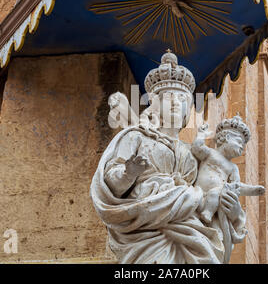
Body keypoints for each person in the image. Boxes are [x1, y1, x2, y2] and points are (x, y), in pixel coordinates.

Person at [90, 51, 247, 264]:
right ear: (154, 104)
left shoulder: (193, 153)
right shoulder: (136, 136)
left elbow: (213, 193)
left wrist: (235, 214)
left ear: (187, 110)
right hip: (145, 229)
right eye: (168, 98)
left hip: (192, 231)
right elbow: (111, 183)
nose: (175, 103)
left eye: (182, 98)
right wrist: (129, 173)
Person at [192, 118, 265, 225]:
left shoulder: (233, 167)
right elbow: (197, 148)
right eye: (239, 142)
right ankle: (207, 212)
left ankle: (208, 213)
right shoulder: (211, 153)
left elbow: (236, 186)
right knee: (215, 193)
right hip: (198, 193)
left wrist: (252, 190)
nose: (242, 148)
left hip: (216, 196)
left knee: (216, 192)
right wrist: (201, 134)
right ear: (227, 137)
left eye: (243, 146)